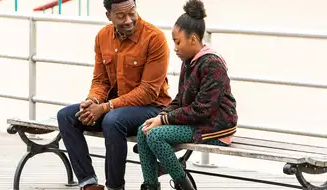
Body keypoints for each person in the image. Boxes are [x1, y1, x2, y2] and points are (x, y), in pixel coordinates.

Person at [56, 0, 172, 189]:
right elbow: (101, 81)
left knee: (112, 120)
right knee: (66, 116)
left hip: (151, 108)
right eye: (120, 16)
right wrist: (92, 101)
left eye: (132, 13)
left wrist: (105, 107)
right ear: (109, 16)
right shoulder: (102, 36)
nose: (128, 20)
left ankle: (115, 186)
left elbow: (148, 92)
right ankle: (89, 184)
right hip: (114, 108)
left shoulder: (154, 38)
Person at [136, 0, 238, 189]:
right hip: (196, 122)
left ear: (192, 39)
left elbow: (203, 109)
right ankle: (150, 185)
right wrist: (160, 117)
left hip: (215, 127)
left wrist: (164, 120)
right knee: (144, 130)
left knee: (156, 136)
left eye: (177, 41)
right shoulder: (189, 60)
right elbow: (180, 99)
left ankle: (185, 186)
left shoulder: (212, 64)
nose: (174, 47)